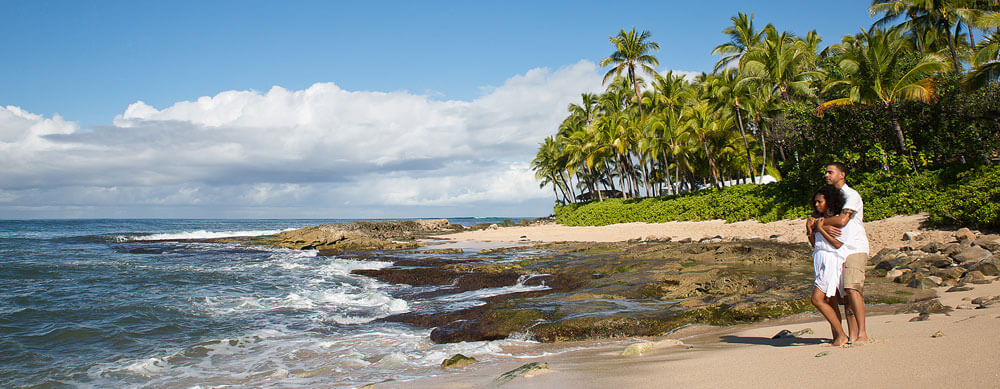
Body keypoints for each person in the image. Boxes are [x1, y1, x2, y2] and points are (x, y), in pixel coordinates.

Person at [814, 162, 870, 344]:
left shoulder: (851, 195)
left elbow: (843, 220)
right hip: (837, 251)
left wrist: (820, 224)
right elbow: (821, 219)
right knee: (841, 295)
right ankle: (848, 335)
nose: (826, 175)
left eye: (830, 172)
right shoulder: (832, 198)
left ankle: (862, 334)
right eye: (825, 172)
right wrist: (818, 225)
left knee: (852, 288)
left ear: (842, 174)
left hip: (855, 248)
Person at [807, 185, 849, 346]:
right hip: (819, 259)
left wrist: (820, 229)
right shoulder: (819, 220)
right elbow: (814, 244)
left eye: (820, 202)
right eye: (815, 202)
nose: (816, 205)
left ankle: (841, 335)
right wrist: (810, 230)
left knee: (817, 299)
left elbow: (838, 244)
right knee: (830, 301)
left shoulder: (833, 221)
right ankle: (837, 335)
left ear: (829, 202)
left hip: (831, 260)